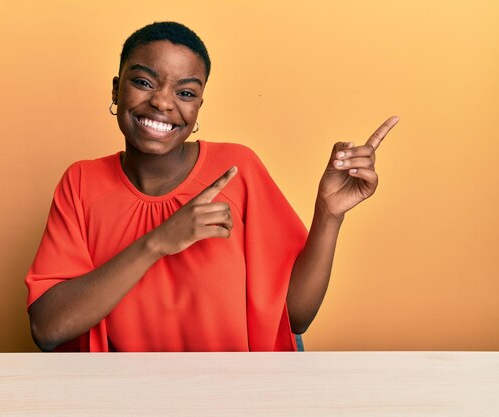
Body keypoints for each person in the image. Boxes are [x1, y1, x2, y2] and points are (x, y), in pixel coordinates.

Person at [24, 21, 399, 352]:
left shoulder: (237, 170)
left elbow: (294, 318)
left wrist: (329, 214)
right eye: (143, 82)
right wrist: (158, 242)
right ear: (115, 89)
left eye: (185, 93)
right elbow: (48, 328)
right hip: (128, 398)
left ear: (199, 105)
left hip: (236, 396)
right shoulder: (81, 182)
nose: (162, 102)